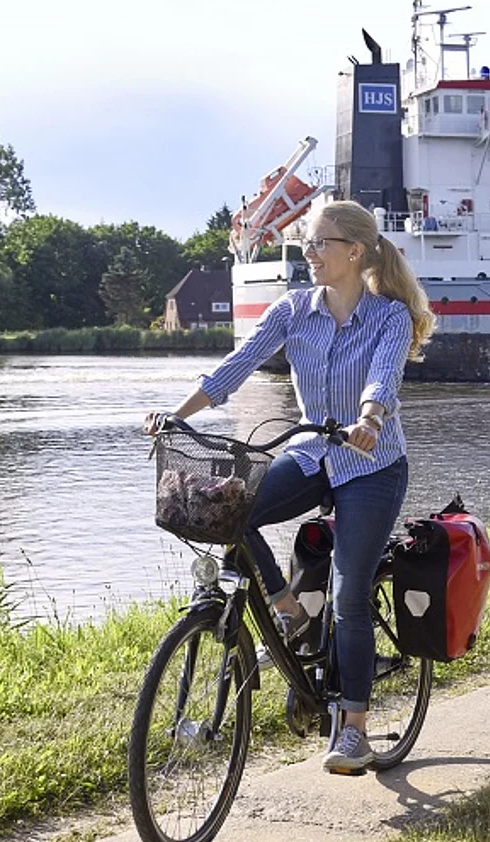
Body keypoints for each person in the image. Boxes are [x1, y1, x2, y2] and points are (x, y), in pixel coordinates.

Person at [144, 200, 436, 774]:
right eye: (307, 241)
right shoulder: (292, 309)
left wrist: (370, 420)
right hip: (309, 452)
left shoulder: (388, 317)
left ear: (355, 251)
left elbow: (383, 378)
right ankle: (286, 606)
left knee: (351, 597)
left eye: (319, 242)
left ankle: (353, 729)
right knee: (230, 507)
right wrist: (177, 416)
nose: (308, 252)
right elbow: (238, 364)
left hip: (370, 462)